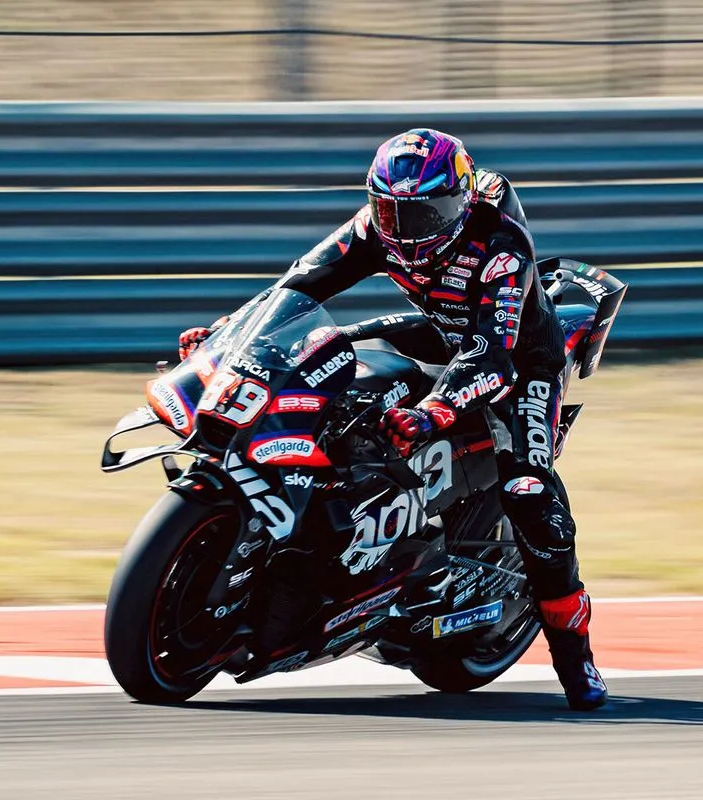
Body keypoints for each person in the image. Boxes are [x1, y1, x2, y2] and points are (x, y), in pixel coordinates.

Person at [178, 129, 607, 710]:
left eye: (424, 213)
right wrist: (227, 336)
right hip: (439, 331)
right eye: (390, 211)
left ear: (459, 202)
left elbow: (492, 356)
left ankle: (576, 660)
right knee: (320, 356)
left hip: (520, 360)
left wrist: (434, 411)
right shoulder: (373, 229)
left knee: (529, 491)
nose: (406, 230)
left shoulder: (500, 247)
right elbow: (297, 287)